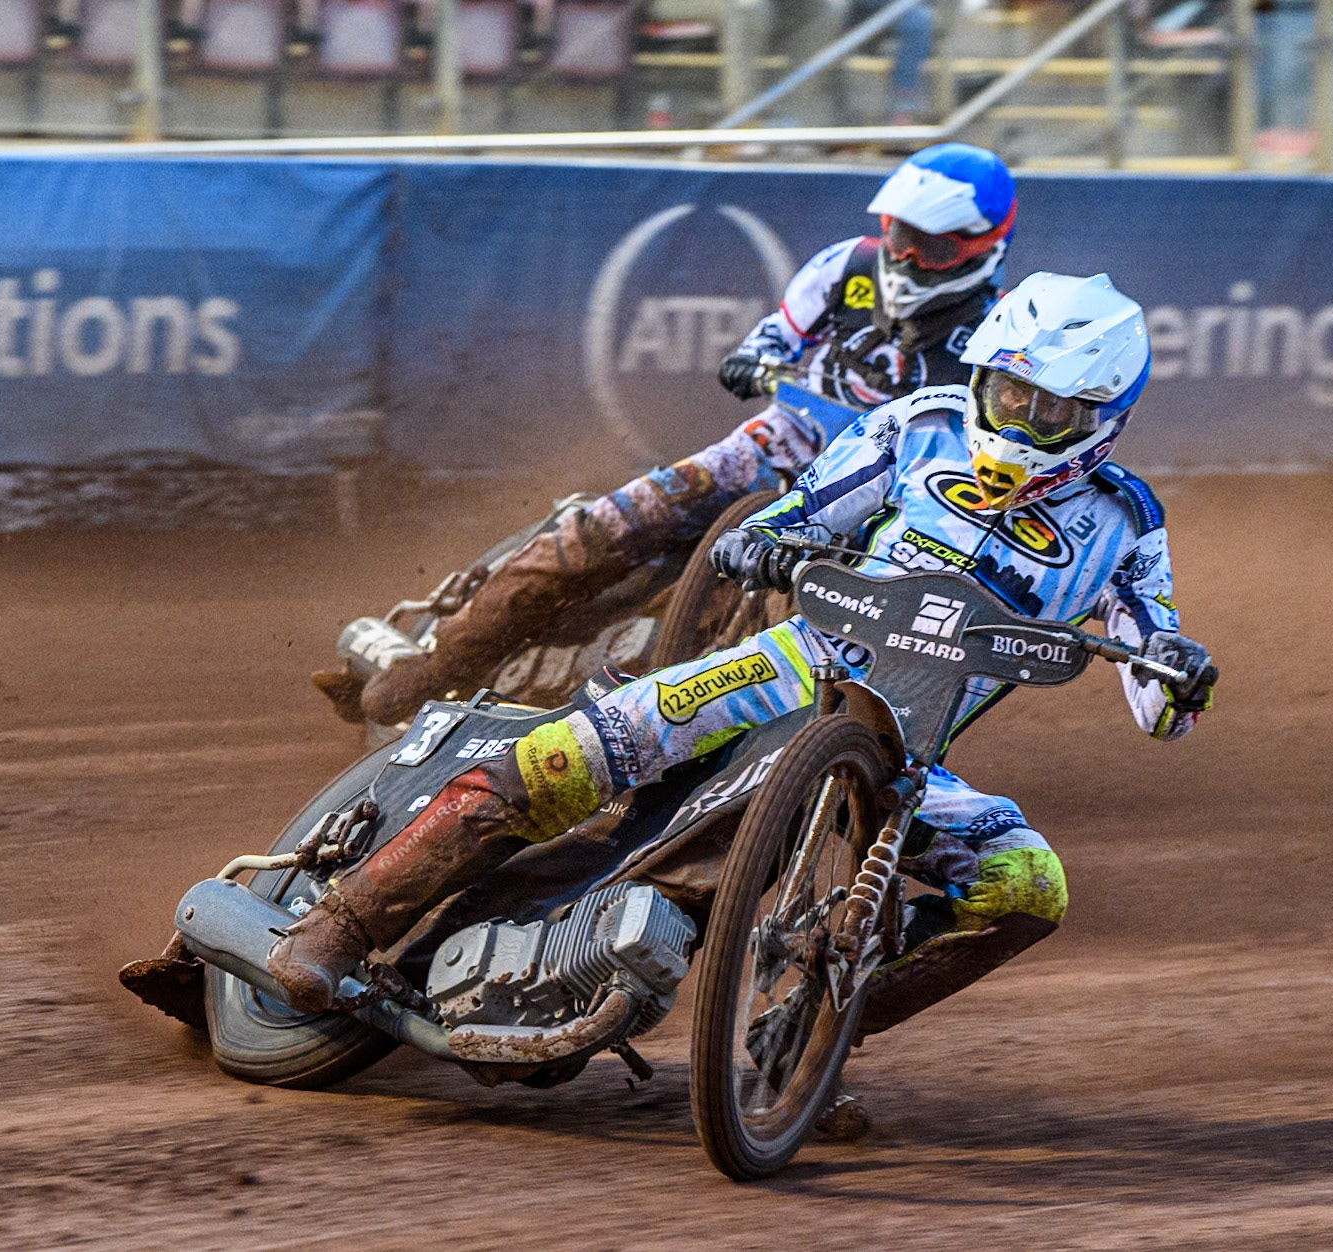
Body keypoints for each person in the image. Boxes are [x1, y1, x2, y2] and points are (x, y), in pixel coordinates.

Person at [267, 272, 1220, 1047]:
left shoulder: (1124, 526)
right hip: (788, 666)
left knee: (1026, 885)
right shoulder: (913, 425)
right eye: (1008, 393)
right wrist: (762, 541)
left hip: (904, 756)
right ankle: (341, 922)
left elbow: (1155, 690)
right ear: (979, 379)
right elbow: (799, 511)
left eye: (1050, 410)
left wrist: (1177, 668)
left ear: (1104, 416)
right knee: (574, 752)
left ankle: (814, 1031)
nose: (1018, 420)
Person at [319, 143, 1018, 728]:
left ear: (981, 248)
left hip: (868, 501)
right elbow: (780, 332)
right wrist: (755, 357)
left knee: (771, 631)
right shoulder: (847, 266)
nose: (905, 254)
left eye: (928, 245)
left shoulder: (992, 341)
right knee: (613, 523)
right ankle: (435, 667)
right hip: (779, 440)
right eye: (898, 233)